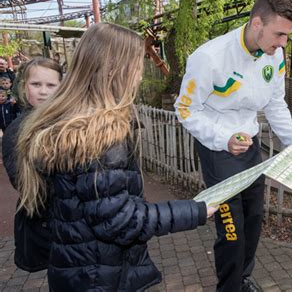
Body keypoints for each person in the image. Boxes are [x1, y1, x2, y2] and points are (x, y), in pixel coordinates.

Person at [15, 23, 217, 292]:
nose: (140, 77)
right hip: (102, 277)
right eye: (136, 67)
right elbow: (120, 222)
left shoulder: (63, 121)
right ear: (115, 70)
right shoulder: (100, 136)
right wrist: (196, 211)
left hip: (78, 270)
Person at [175, 0, 292, 292]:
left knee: (254, 220)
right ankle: (228, 287)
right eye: (279, 35)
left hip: (250, 149)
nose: (283, 44)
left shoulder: (275, 55)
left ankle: (242, 279)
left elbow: (275, 104)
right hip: (218, 151)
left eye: (287, 36)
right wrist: (223, 138)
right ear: (257, 24)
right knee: (232, 229)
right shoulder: (209, 57)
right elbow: (185, 109)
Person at [2, 57, 62, 272]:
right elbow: (20, 180)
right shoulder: (16, 131)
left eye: (51, 85)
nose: (43, 91)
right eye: (36, 84)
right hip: (45, 223)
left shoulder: (71, 121)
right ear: (24, 87)